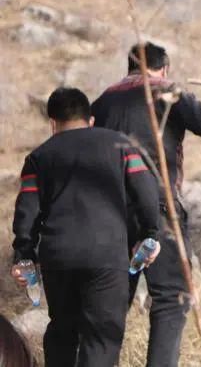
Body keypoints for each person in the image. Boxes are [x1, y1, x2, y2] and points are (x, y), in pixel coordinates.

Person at [91, 41, 201, 367]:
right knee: (171, 297)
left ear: (128, 68)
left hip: (111, 210)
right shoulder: (167, 91)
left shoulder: (103, 102)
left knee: (113, 300)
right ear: (164, 68)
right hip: (159, 205)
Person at [10, 87, 161, 367]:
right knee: (102, 339)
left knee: (62, 333)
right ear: (91, 120)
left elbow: (26, 213)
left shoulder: (38, 158)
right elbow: (147, 192)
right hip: (106, 255)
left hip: (59, 259)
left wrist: (24, 256)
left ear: (52, 123)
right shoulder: (121, 145)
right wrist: (150, 234)